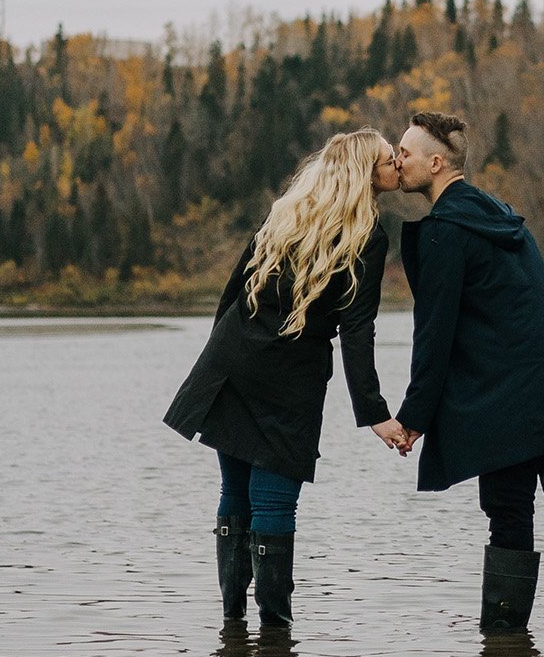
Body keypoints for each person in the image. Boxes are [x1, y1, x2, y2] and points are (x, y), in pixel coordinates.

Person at [382, 109, 544, 632]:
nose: (397, 161)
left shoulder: (446, 232)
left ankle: (506, 655)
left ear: (436, 163)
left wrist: (413, 417)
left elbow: (435, 334)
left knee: (510, 512)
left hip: (506, 398)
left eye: (405, 152)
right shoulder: (499, 214)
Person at [162, 130, 410, 625]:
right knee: (272, 501)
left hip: (235, 360)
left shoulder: (288, 211)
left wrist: (218, 360)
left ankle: (233, 626)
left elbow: (234, 291)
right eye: (389, 159)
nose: (397, 166)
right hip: (289, 380)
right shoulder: (367, 236)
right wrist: (375, 413)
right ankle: (276, 634)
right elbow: (357, 329)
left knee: (235, 493)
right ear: (365, 174)